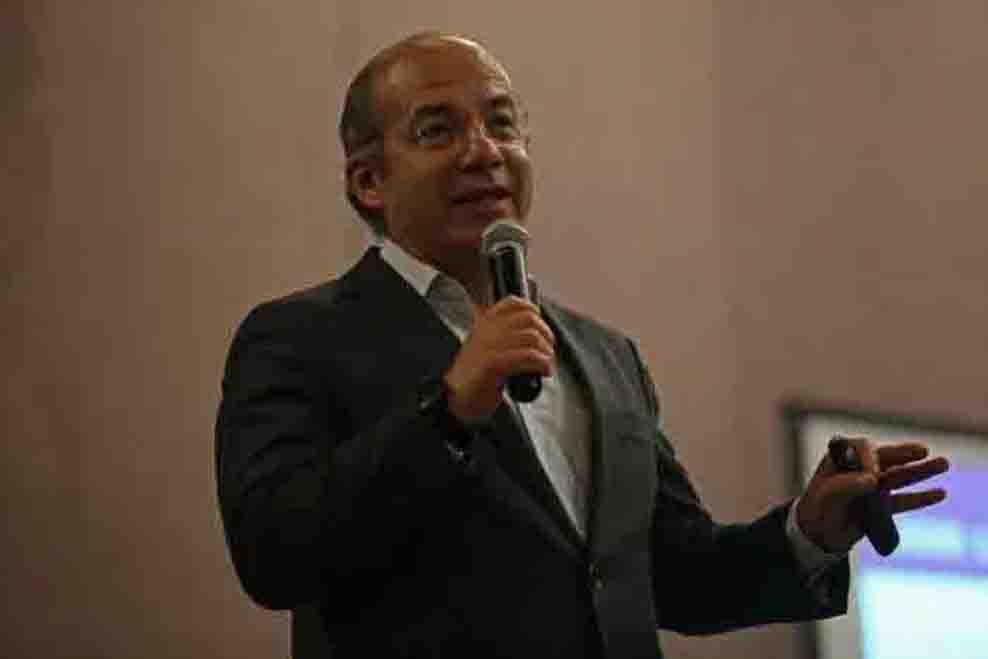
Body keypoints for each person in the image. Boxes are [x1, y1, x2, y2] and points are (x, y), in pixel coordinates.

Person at [215, 32, 949, 659]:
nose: (484, 150)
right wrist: (448, 411)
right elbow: (276, 554)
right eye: (438, 131)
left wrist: (808, 530)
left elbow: (674, 574)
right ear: (369, 181)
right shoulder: (299, 338)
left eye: (502, 124)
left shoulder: (606, 356)